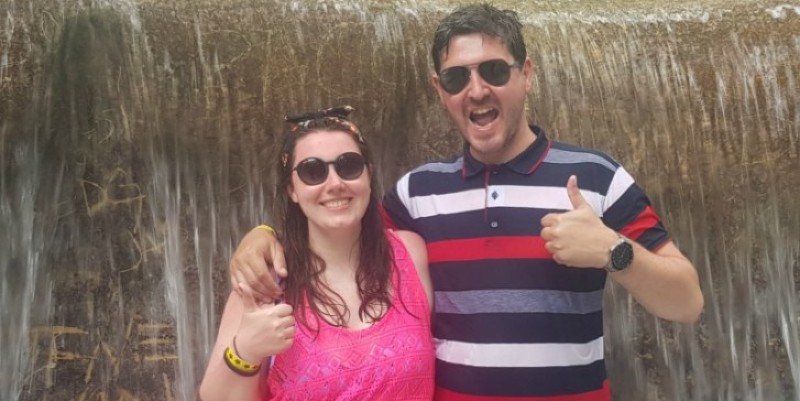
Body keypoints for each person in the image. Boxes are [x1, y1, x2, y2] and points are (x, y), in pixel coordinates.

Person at [228, 4, 704, 401]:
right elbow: (334, 226)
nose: (476, 90)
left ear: (527, 75)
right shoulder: (417, 193)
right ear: (441, 91)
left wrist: (613, 251)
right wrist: (263, 236)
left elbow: (686, 302)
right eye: (457, 78)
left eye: (494, 71)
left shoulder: (597, 177)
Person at [199, 106, 435, 401]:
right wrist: (244, 352)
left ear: (368, 176)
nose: (335, 184)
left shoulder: (411, 253)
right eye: (313, 171)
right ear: (292, 189)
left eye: (348, 166)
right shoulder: (265, 282)